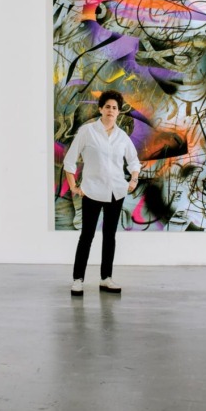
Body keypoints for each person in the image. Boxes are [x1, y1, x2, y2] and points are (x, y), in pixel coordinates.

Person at [63, 90, 141, 296]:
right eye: (107, 107)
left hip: (116, 192)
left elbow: (134, 161)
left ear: (118, 112)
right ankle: (78, 279)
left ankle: (106, 278)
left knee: (109, 237)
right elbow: (69, 160)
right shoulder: (87, 132)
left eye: (114, 108)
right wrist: (74, 186)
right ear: (100, 109)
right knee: (86, 236)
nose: (111, 110)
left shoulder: (122, 136)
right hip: (92, 192)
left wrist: (133, 180)